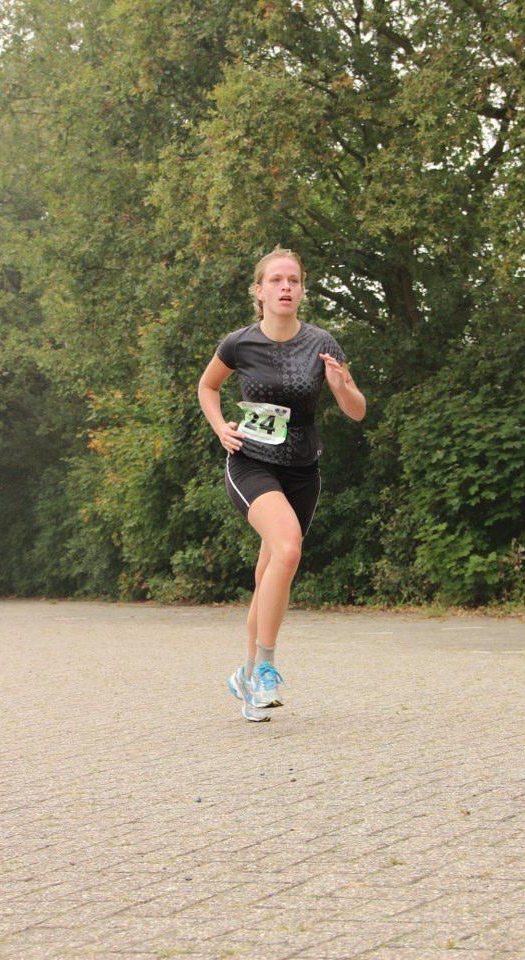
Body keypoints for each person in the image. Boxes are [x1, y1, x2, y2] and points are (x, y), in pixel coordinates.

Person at [197, 246, 366, 722]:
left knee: (269, 571)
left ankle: (248, 680)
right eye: (276, 280)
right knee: (288, 549)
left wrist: (341, 387)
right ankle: (267, 669)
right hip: (250, 461)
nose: (286, 287)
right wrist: (219, 426)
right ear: (260, 290)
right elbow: (207, 386)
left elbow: (357, 410)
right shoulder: (239, 343)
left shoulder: (323, 343)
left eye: (293, 280)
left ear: (302, 290)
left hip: (302, 470)